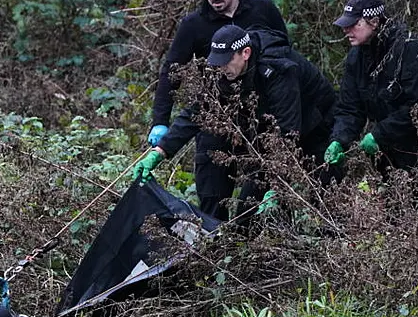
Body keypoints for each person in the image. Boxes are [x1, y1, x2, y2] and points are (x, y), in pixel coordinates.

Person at [134, 24, 338, 220]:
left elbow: (288, 133)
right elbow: (196, 112)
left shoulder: (278, 70)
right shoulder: (223, 71)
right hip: (268, 134)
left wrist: (275, 185)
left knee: (324, 194)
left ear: (245, 53)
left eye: (226, 61)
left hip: (315, 125)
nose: (221, 68)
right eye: (218, 62)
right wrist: (160, 151)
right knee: (246, 217)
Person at [323, 0, 418, 190]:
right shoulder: (356, 58)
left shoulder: (410, 50)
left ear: (374, 21)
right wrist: (339, 139)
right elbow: (349, 107)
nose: (346, 30)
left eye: (354, 24)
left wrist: (380, 135)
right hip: (393, 156)